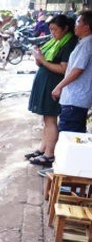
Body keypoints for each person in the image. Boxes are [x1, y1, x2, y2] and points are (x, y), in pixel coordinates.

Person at [26, 15, 78, 167]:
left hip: (53, 84)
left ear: (65, 28)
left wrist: (42, 61)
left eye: (55, 29)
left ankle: (49, 154)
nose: (53, 33)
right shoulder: (55, 42)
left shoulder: (68, 44)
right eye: (51, 29)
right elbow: (45, 60)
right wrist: (39, 59)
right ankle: (43, 148)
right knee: (46, 119)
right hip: (46, 82)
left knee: (50, 119)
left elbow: (63, 69)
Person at [52, 11, 92, 134]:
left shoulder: (87, 45)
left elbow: (77, 70)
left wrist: (59, 86)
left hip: (75, 99)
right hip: (76, 99)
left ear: (87, 27)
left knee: (69, 135)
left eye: (78, 22)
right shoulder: (84, 42)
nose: (75, 25)